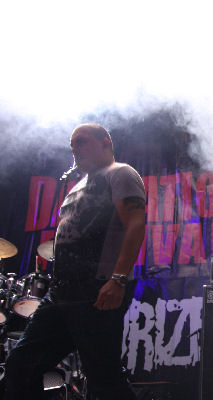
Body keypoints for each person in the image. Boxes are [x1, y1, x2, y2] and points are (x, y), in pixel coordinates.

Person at [4, 123, 146, 399]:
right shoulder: (77, 186)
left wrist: (118, 279)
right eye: (72, 145)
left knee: (104, 379)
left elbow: (135, 225)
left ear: (105, 142)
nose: (75, 149)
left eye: (82, 141)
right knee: (21, 365)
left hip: (96, 288)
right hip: (61, 293)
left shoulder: (121, 173)